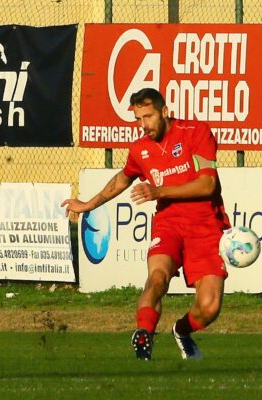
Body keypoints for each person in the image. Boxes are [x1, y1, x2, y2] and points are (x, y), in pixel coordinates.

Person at [61, 88, 230, 360]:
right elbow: (122, 179)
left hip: (205, 224)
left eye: (148, 117)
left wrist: (159, 191)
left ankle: (181, 331)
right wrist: (87, 205)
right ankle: (144, 337)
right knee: (156, 278)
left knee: (209, 307)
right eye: (139, 119)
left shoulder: (195, 132)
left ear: (164, 112)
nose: (144, 125)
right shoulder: (140, 149)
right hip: (168, 224)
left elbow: (207, 184)